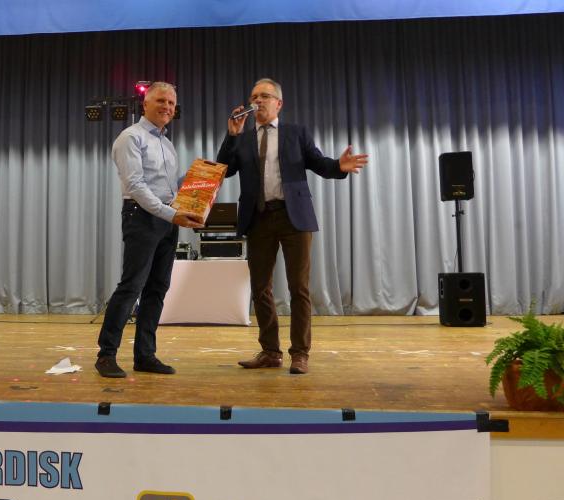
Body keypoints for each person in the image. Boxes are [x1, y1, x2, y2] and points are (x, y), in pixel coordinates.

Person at [217, 78, 368, 374]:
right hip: (258, 218)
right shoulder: (243, 138)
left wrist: (339, 166)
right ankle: (270, 352)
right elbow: (224, 170)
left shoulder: (296, 133)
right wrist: (232, 135)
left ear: (279, 103)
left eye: (264, 96)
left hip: (293, 217)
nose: (257, 101)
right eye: (253, 96)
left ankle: (300, 353)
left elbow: (319, 163)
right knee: (260, 287)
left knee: (298, 287)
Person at [95, 82, 203, 378]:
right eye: (161, 100)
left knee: (157, 288)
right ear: (145, 104)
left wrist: (197, 180)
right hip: (142, 217)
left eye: (171, 103)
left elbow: (169, 189)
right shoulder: (131, 137)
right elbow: (136, 186)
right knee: (131, 286)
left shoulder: (167, 144)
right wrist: (172, 214)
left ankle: (145, 355)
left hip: (168, 218)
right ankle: (106, 355)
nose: (167, 106)